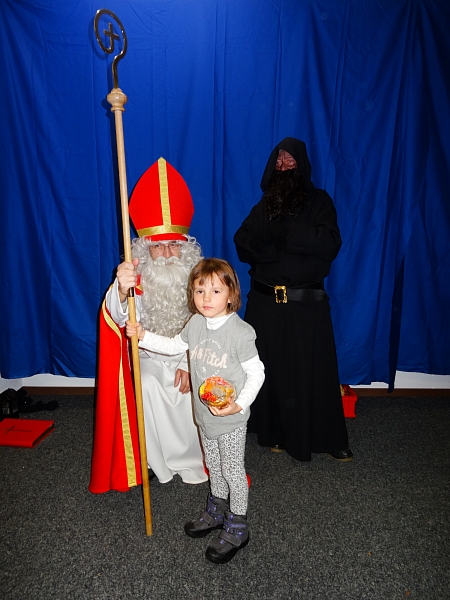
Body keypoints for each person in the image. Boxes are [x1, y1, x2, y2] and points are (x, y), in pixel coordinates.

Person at [126, 258, 265, 564]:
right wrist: (143, 336)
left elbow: (257, 373)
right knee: (213, 465)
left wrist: (239, 404)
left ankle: (238, 525)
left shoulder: (241, 332)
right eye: (200, 291)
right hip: (204, 416)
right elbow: (174, 346)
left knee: (233, 471)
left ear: (231, 294)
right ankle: (217, 509)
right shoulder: (196, 323)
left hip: (230, 419)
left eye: (215, 291)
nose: (206, 298)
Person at [89, 158, 208, 493]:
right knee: (147, 383)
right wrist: (120, 287)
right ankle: (153, 461)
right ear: (145, 249)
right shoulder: (136, 278)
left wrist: (190, 362)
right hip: (149, 357)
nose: (167, 253)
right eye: (158, 246)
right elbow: (116, 317)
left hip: (192, 354)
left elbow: (213, 324)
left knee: (199, 383)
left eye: (174, 245)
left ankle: (200, 457)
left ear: (186, 248)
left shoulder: (201, 278)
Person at [234, 137, 352, 462]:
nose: (284, 166)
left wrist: (287, 235)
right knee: (269, 370)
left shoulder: (319, 201)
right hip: (265, 304)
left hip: (305, 305)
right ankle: (275, 433)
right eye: (279, 161)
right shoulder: (265, 206)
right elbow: (243, 241)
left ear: (301, 165)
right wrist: (271, 251)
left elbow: (329, 244)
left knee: (314, 372)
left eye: (290, 160)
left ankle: (327, 437)